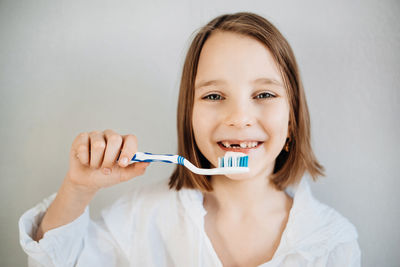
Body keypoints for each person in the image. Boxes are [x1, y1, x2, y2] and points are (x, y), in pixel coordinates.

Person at [19, 12, 361, 266]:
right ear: (189, 115)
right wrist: (78, 189)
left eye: (264, 95)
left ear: (293, 117)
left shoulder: (332, 244)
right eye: (214, 96)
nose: (239, 118)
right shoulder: (143, 217)